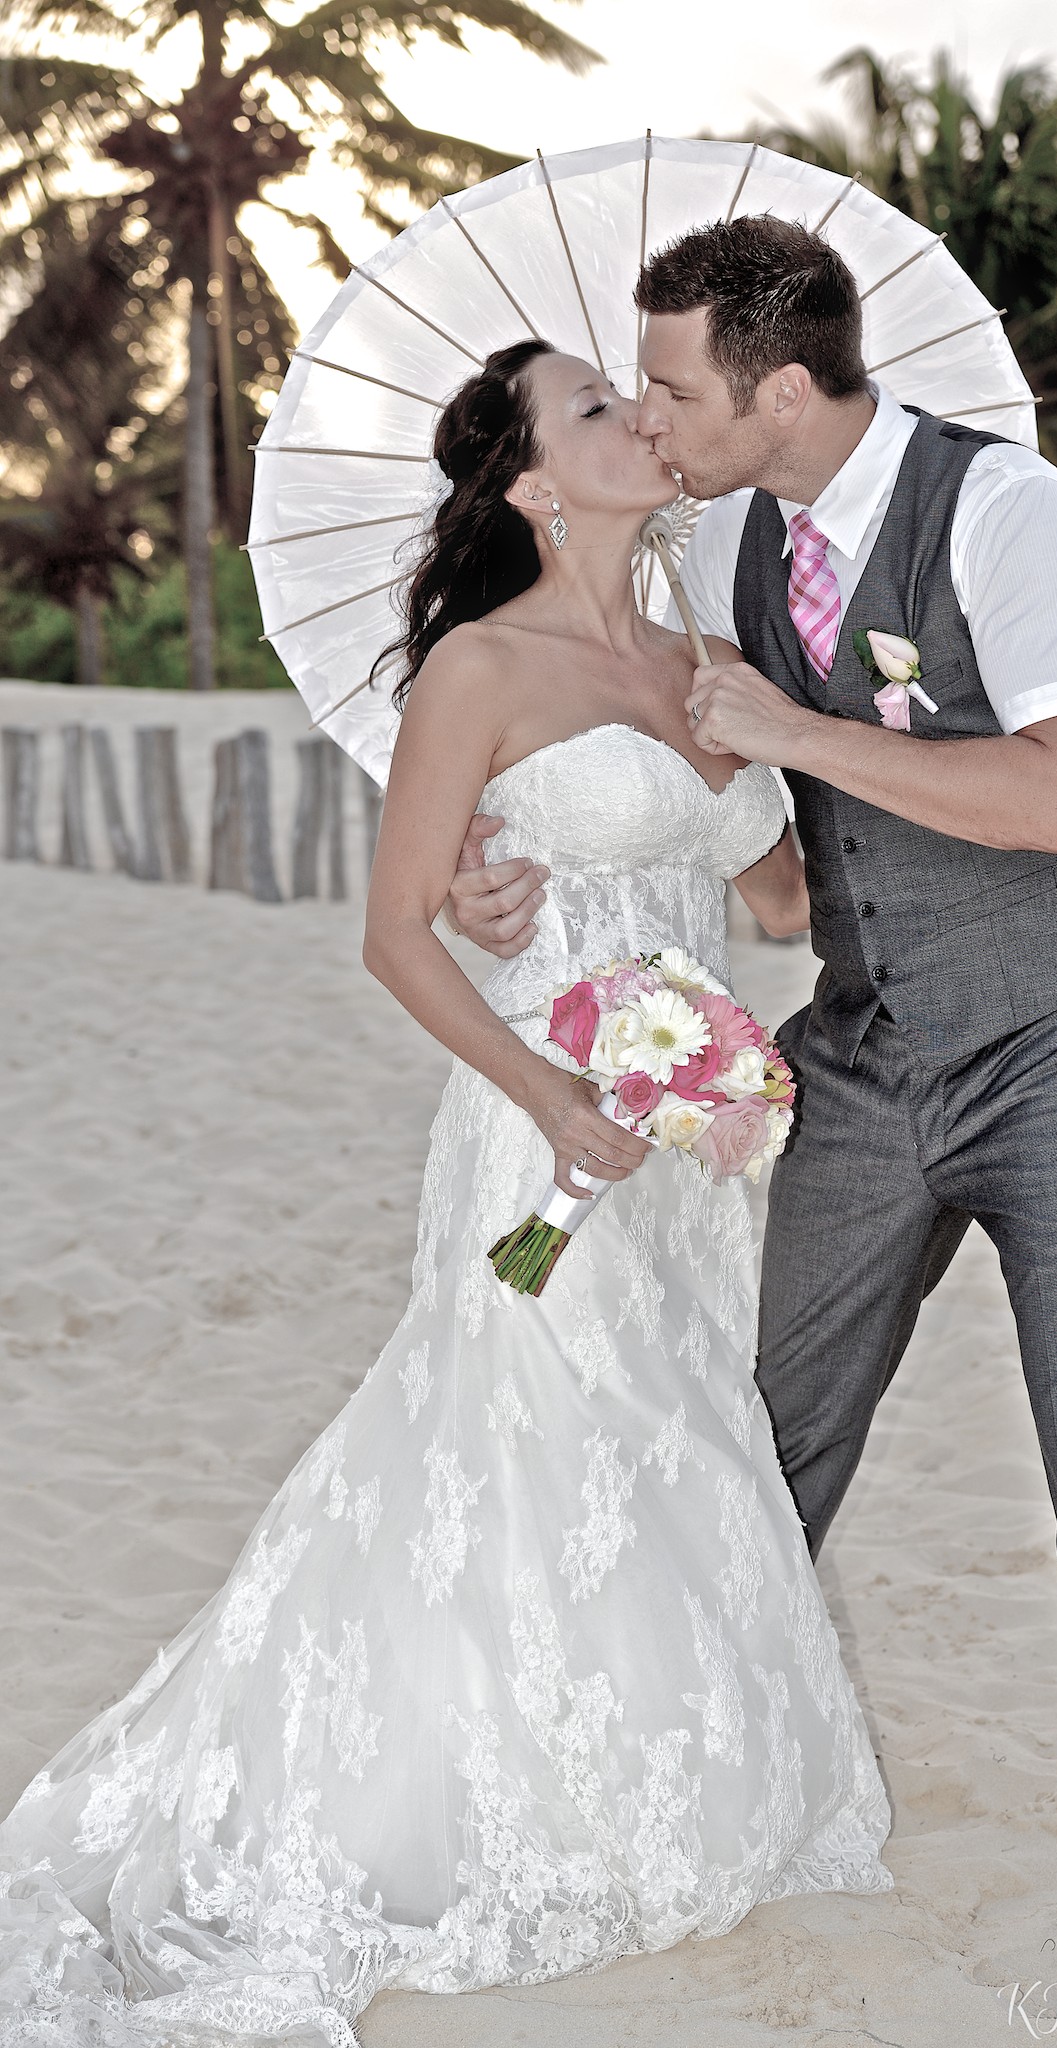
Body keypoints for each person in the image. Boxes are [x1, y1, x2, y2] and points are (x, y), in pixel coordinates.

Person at [0, 338, 893, 2048]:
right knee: (527, 1429)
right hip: (542, 1128)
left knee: (671, 1436)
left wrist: (789, 733)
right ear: (535, 487)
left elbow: (777, 908)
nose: (639, 413)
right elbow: (397, 929)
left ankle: (644, 1773)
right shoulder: (478, 671)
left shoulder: (708, 659)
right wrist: (555, 1087)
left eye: (631, 396)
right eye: (590, 408)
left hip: (694, 1142)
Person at [446, 218, 1057, 1991]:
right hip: (859, 1055)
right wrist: (492, 880)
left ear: (786, 389)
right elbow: (738, 853)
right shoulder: (732, 543)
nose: (654, 418)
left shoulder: (1006, 514)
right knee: (759, 1452)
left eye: (674, 387)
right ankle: (659, 1824)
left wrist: (803, 732)